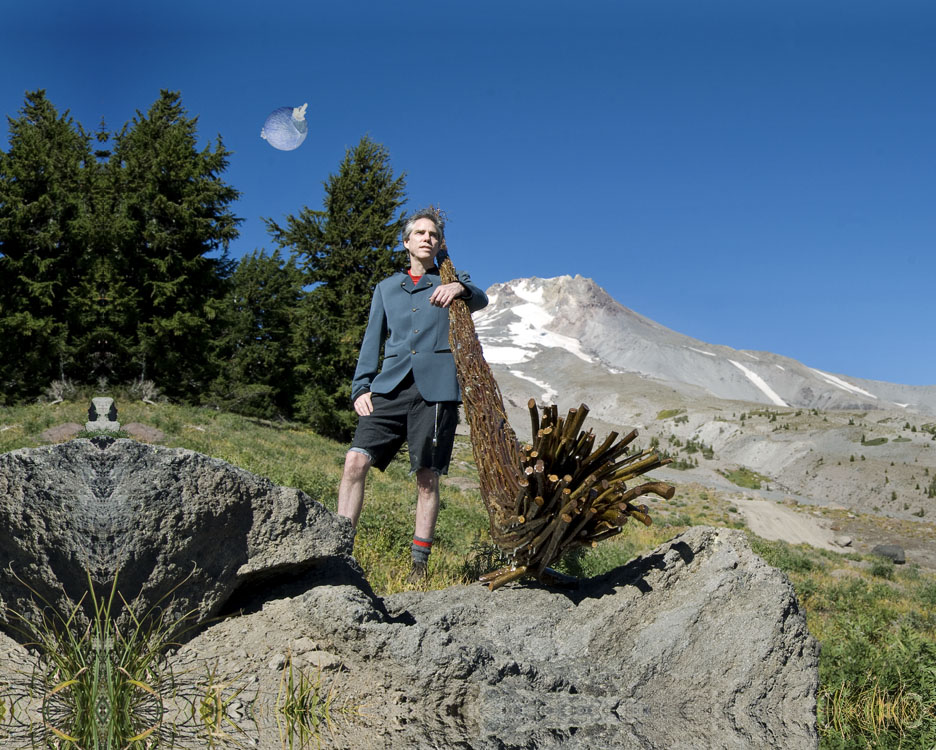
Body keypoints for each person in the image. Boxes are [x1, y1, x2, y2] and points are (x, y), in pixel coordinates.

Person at [336, 208, 488, 583]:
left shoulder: (451, 281)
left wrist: (460, 289)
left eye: (433, 234)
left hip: (435, 392)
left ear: (439, 244)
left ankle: (418, 566)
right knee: (355, 462)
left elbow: (481, 298)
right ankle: (338, 550)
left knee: (426, 477)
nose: (426, 238)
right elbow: (372, 341)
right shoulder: (386, 289)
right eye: (419, 233)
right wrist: (361, 387)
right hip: (388, 387)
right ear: (406, 242)